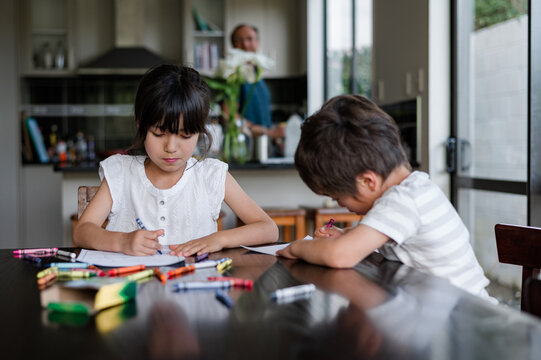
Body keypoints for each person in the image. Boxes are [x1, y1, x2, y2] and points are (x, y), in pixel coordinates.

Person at [277, 94, 495, 301]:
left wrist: (296, 246)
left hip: (467, 316)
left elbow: (340, 256)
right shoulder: (413, 187)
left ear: (368, 182)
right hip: (442, 308)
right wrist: (346, 235)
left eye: (337, 198)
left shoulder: (404, 200)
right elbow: (385, 240)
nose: (341, 205)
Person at [73, 64, 278, 256]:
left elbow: (268, 229)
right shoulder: (121, 173)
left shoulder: (211, 175)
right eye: (158, 133)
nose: (171, 147)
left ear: (200, 130)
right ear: (140, 124)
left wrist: (219, 239)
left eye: (185, 136)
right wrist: (122, 242)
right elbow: (82, 231)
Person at [230, 24, 284, 140]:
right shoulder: (232, 76)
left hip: (263, 143)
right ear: (233, 46)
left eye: (249, 39)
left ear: (257, 43)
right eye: (239, 40)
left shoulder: (258, 72)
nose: (245, 44)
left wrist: (273, 135)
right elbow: (231, 118)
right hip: (245, 147)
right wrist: (269, 132)